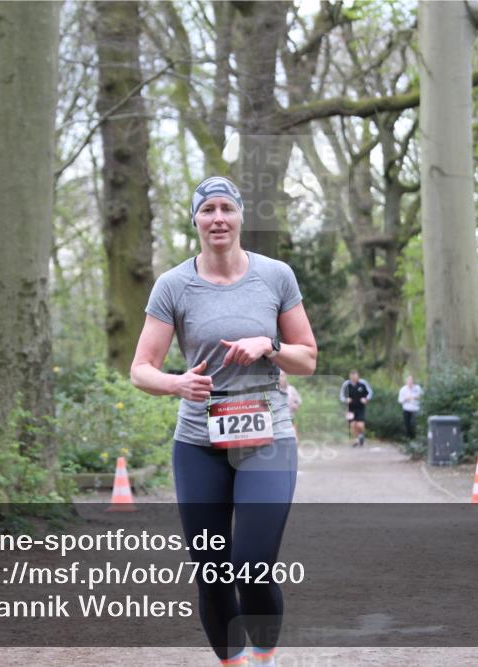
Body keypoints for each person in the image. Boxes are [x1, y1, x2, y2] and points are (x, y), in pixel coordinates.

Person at [130, 176, 317, 667]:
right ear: (195, 220)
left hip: (267, 437)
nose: (218, 218)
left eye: (226, 208)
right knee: (212, 573)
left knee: (253, 565)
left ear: (240, 217)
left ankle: (264, 657)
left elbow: (309, 359)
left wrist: (270, 346)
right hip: (198, 442)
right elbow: (140, 369)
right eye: (207, 209)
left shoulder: (275, 276)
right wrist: (177, 384)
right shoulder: (174, 285)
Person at [339, 370, 373, 447]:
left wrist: (366, 399)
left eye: (355, 376)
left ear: (358, 376)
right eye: (352, 376)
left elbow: (370, 392)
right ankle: (356, 440)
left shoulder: (363, 383)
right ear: (350, 376)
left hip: (360, 407)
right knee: (352, 424)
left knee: (360, 425)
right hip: (350, 408)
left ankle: (361, 435)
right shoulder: (346, 384)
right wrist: (345, 400)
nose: (354, 377)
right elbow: (341, 395)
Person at [397, 374, 424, 441]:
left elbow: (423, 397)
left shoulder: (418, 388)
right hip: (406, 409)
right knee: (407, 425)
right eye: (408, 380)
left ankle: (415, 438)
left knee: (413, 424)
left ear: (413, 381)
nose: (410, 382)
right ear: (406, 381)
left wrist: (417, 397)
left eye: (411, 380)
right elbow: (399, 400)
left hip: (416, 409)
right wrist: (406, 399)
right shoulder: (403, 389)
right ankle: (410, 439)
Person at [278, 371, 301, 439]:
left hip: (290, 419)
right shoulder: (274, 390)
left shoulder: (291, 389)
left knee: (293, 439)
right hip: (278, 420)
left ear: (286, 377)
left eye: (283, 376)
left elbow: (298, 402)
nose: (281, 378)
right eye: (279, 376)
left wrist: (295, 406)